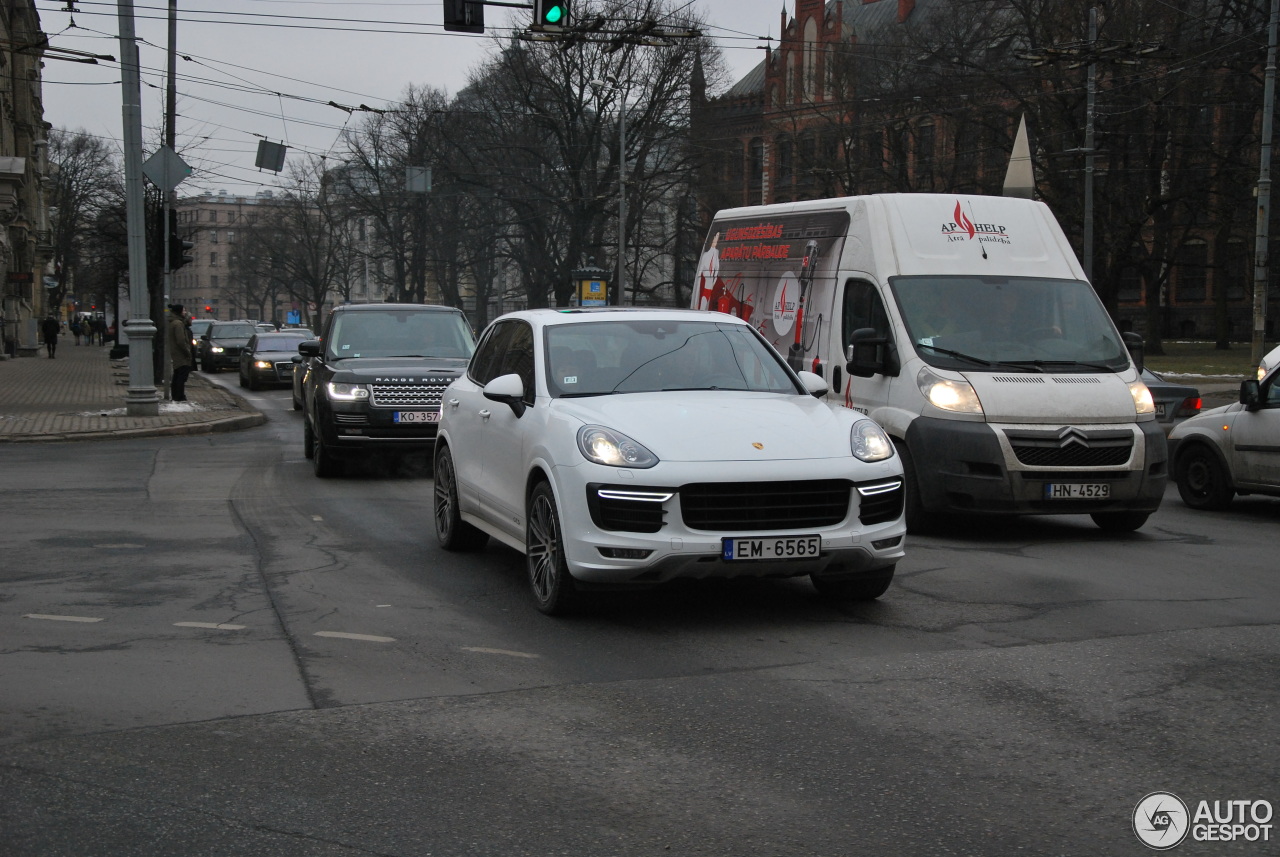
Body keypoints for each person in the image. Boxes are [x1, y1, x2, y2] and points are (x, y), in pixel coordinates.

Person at [166, 303, 195, 401]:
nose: (185, 312)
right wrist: (187, 351)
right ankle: (179, 396)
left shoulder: (174, 322)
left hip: (177, 352)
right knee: (180, 376)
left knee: (177, 375)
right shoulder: (178, 323)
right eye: (184, 310)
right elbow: (181, 341)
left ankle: (177, 396)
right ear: (179, 312)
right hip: (180, 354)